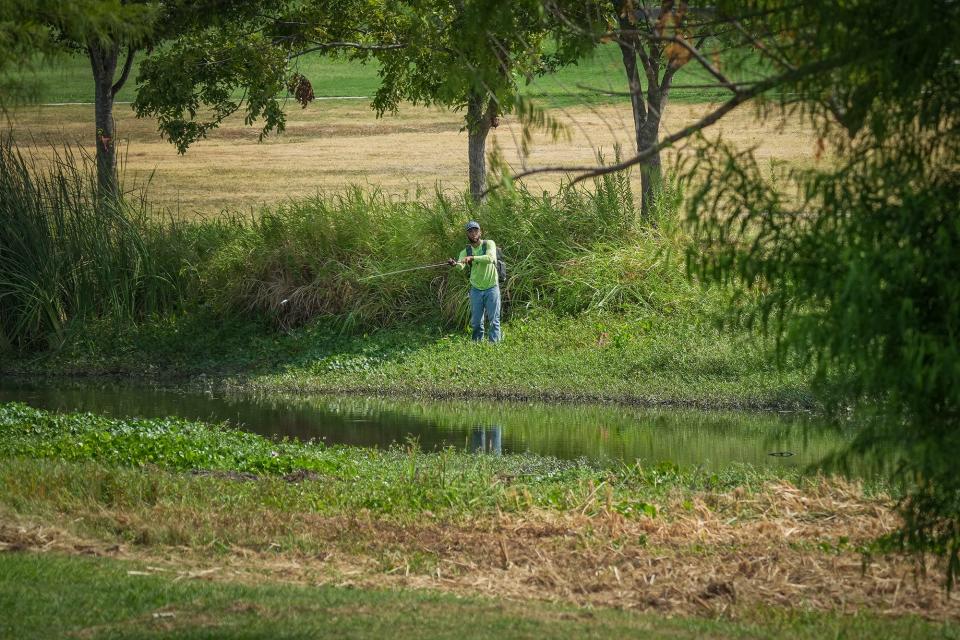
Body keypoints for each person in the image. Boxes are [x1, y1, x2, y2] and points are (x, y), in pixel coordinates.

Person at [448, 220, 501, 343]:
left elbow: (490, 258)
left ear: (480, 232)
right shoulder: (465, 251)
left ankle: (495, 344)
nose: (473, 233)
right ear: (467, 235)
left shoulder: (489, 244)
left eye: (475, 230)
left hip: (491, 286)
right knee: (476, 322)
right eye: (470, 231)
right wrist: (455, 264)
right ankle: (477, 343)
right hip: (476, 289)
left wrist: (472, 258)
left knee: (494, 320)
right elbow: (460, 267)